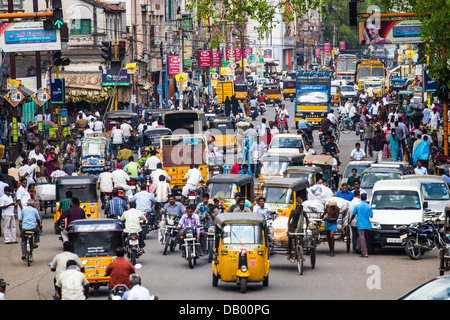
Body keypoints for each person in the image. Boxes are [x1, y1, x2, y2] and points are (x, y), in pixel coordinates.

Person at [349, 193, 373, 257]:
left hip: (360, 224)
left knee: (361, 238)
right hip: (367, 224)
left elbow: (353, 214)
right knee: (366, 237)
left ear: (360, 198)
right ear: (366, 198)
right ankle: (366, 250)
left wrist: (350, 221)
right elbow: (371, 216)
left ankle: (364, 252)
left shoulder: (357, 206)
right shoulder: (369, 206)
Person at [349, 189, 361, 254]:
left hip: (352, 221)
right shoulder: (358, 203)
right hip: (357, 221)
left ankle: (354, 248)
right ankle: (358, 247)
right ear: (359, 195)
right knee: (359, 235)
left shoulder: (351, 202)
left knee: (354, 235)